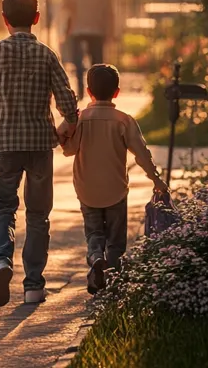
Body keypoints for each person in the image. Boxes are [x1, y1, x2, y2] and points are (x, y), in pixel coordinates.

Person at [0, 0, 78, 308]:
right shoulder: (47, 55)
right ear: (37, 18)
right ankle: (33, 287)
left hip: (6, 145)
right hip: (40, 146)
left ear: (4, 19)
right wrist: (65, 128)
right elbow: (68, 103)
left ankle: (2, 260)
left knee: (4, 208)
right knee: (38, 215)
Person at [60, 64, 168, 295]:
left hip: (87, 189)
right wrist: (156, 179)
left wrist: (65, 130)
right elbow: (142, 154)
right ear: (117, 92)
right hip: (116, 190)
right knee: (116, 242)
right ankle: (113, 286)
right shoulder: (124, 121)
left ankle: (95, 257)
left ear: (88, 92)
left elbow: (68, 149)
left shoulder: (81, 119)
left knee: (94, 233)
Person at [62, 0, 114, 101]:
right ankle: (80, 91)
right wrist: (64, 29)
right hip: (77, 30)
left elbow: (108, 11)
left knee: (97, 65)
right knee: (78, 63)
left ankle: (97, 94)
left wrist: (109, 32)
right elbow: (65, 7)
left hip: (97, 30)